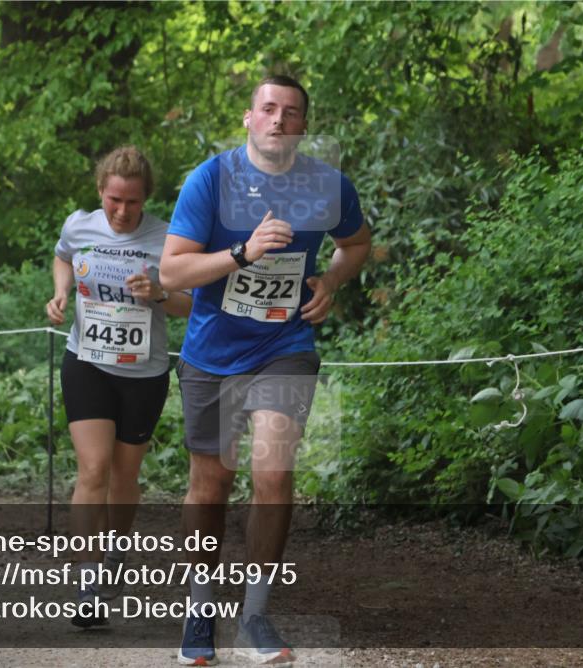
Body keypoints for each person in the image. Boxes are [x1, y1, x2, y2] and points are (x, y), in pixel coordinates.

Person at [160, 74, 371, 666]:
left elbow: (356, 244)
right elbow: (172, 274)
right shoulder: (211, 179)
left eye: (293, 112)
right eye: (269, 109)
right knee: (211, 484)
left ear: (304, 126)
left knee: (273, 473)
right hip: (212, 354)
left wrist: (329, 280)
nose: (280, 119)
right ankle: (200, 610)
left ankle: (255, 614)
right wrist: (241, 254)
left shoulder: (328, 186)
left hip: (286, 344)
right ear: (250, 119)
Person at [45, 146, 191, 628]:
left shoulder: (168, 237)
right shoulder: (78, 225)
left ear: (146, 198)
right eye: (113, 200)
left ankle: (115, 558)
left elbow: (191, 303)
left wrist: (160, 294)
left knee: (124, 478)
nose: (122, 211)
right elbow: (62, 257)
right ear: (100, 192)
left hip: (143, 373)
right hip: (87, 361)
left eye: (132, 202)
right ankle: (86, 584)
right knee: (93, 468)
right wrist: (61, 290)